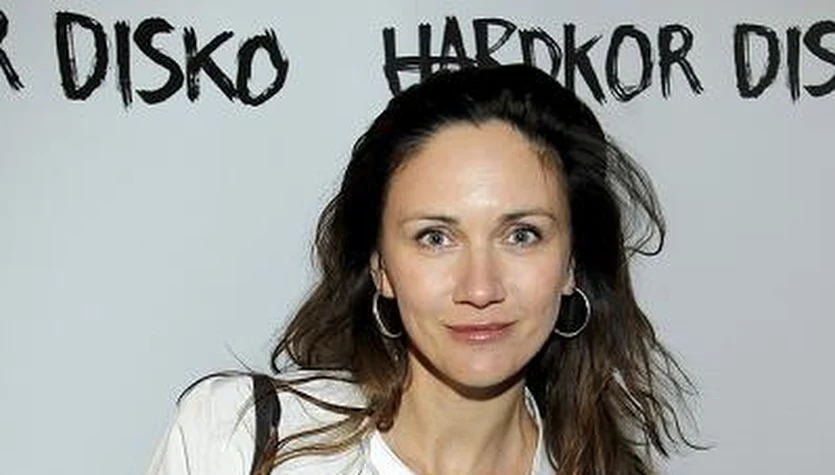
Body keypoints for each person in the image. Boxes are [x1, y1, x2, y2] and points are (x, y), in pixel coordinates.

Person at [146, 64, 698, 475]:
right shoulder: (243, 440)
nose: (480, 288)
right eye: (435, 237)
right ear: (380, 266)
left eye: (521, 235)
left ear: (571, 262)